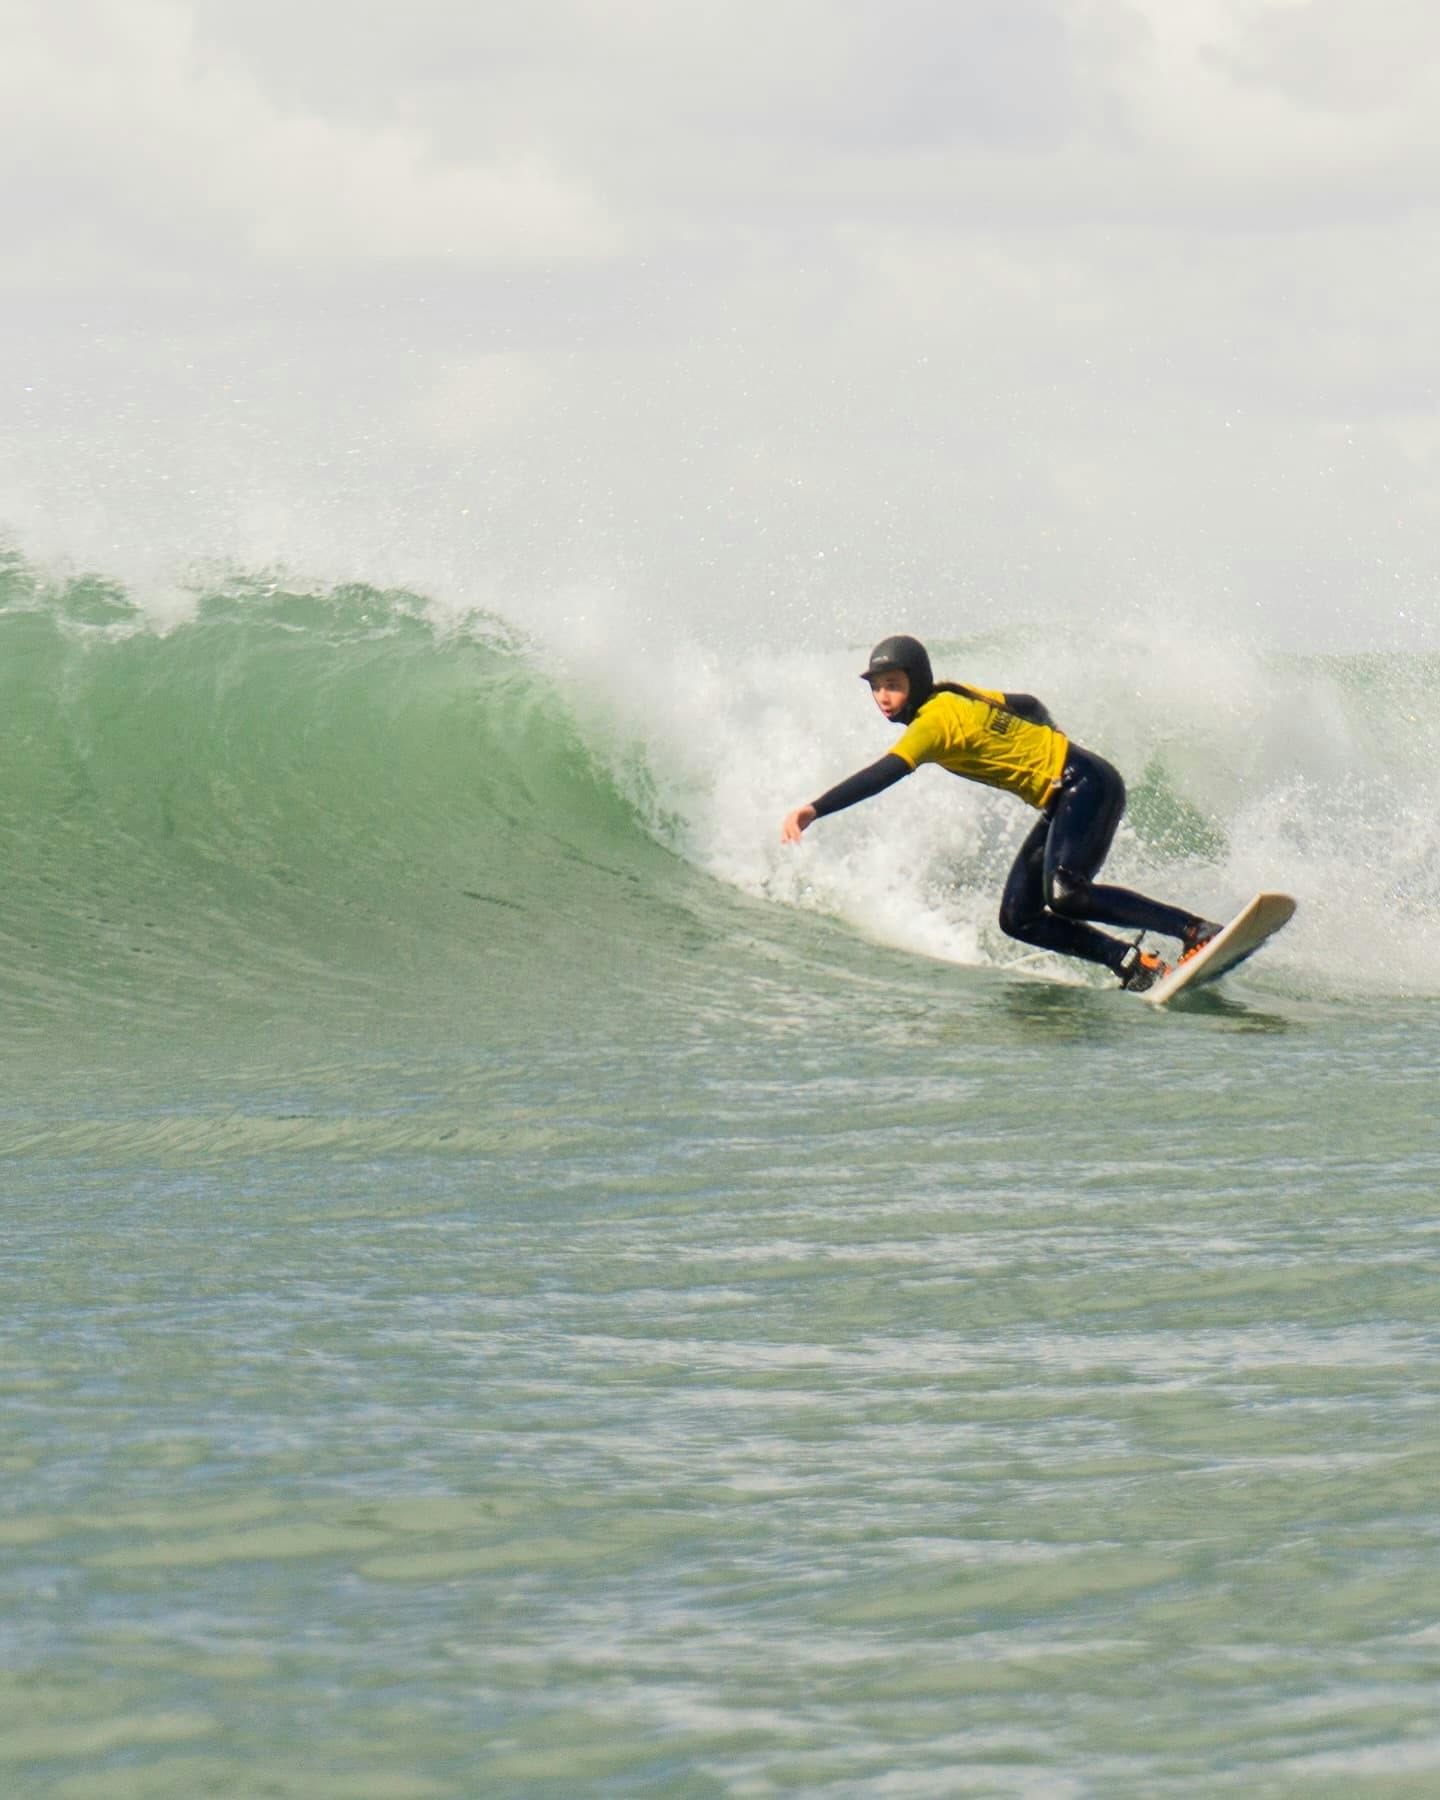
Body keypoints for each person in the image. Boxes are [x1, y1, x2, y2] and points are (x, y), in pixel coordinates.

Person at [780, 634, 1221, 992]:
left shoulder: (931, 724)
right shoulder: (955, 694)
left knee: (1066, 893)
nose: (883, 697)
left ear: (915, 681)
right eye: (876, 687)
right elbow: (1027, 703)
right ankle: (1130, 963)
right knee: (1019, 917)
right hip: (1067, 790)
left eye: (893, 684)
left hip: (1083, 784)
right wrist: (1050, 737)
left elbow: (883, 773)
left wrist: (815, 809)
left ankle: (1193, 931)